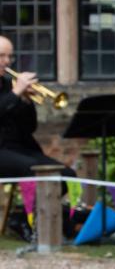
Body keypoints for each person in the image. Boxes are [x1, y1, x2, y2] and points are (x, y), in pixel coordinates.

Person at [0, 35, 76, 181]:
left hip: (20, 149)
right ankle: (38, 204)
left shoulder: (10, 85)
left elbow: (30, 127)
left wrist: (26, 100)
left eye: (10, 56)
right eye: (1, 56)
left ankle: (41, 204)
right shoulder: (14, 89)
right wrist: (16, 93)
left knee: (67, 175)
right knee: (38, 171)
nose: (7, 62)